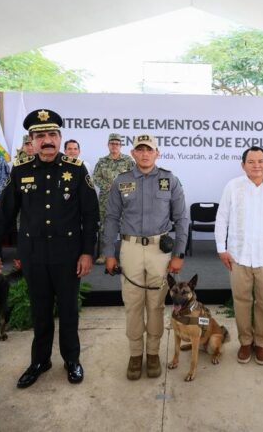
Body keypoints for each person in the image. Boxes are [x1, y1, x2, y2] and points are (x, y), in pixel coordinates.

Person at [0, 109, 100, 389]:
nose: (46, 140)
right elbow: (5, 215)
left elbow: (90, 215)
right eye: (40, 136)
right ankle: (40, 361)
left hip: (68, 255)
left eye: (52, 135)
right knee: (40, 311)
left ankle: (71, 359)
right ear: (32, 141)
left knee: (69, 311)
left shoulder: (76, 169)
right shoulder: (20, 170)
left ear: (60, 138)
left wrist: (88, 252)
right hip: (34, 255)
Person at [103, 134, 188, 380]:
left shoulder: (169, 180)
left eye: (148, 150)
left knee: (156, 305)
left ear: (156, 153)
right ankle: (134, 354)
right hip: (129, 250)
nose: (144, 154)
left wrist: (179, 253)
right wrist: (109, 253)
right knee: (132, 305)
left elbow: (182, 219)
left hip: (159, 252)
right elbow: (110, 219)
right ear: (133, 153)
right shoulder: (122, 181)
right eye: (139, 150)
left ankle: (152, 354)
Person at [216, 146, 263, 366]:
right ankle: (245, 342)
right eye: (251, 162)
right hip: (238, 256)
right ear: (243, 165)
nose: (256, 165)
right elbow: (222, 219)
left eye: (261, 161)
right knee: (241, 302)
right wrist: (221, 248)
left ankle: (261, 344)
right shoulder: (233, 187)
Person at [93, 133, 135, 264]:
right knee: (106, 227)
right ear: (108, 145)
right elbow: (96, 177)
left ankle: (124, 255)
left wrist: (120, 188)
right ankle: (104, 255)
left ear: (120, 146)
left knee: (125, 227)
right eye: (112, 144)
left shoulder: (128, 161)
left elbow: (135, 177)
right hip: (106, 199)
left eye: (117, 144)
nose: (114, 146)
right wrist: (108, 186)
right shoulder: (102, 161)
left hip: (124, 199)